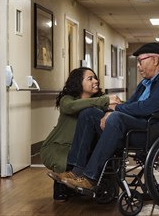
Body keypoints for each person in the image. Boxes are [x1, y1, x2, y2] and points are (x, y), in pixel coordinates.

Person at [48, 42, 159, 191]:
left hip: (154, 132)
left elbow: (146, 108)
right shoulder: (146, 82)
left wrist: (116, 109)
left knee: (116, 118)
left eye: (140, 61)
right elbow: (131, 103)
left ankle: (90, 178)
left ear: (155, 60)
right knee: (89, 114)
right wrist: (110, 112)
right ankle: (76, 171)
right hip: (139, 126)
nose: (138, 66)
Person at [40, 67, 121, 201]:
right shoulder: (67, 99)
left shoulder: (99, 101)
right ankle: (62, 186)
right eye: (90, 78)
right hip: (59, 147)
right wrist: (104, 102)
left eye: (95, 77)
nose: (95, 81)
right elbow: (71, 107)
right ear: (78, 82)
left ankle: (86, 185)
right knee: (70, 161)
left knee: (99, 155)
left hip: (84, 148)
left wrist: (108, 112)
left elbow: (116, 111)